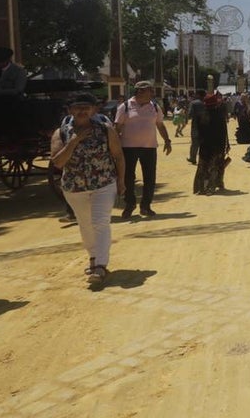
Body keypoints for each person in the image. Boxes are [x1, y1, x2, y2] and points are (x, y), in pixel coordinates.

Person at [50, 92, 125, 289]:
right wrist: (74, 141)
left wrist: (122, 181)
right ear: (70, 111)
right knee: (85, 224)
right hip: (75, 187)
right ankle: (93, 257)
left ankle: (100, 265)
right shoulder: (61, 133)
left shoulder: (105, 130)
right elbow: (58, 162)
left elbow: (118, 156)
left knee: (100, 222)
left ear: (94, 110)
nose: (82, 111)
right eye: (77, 107)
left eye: (86, 107)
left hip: (104, 183)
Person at [114, 81, 172, 219]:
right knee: (128, 177)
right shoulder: (125, 106)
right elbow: (117, 127)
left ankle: (146, 206)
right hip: (128, 148)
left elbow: (160, 125)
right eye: (150, 90)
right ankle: (130, 204)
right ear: (140, 91)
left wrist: (167, 140)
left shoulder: (155, 107)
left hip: (149, 147)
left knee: (150, 178)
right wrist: (114, 146)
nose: (152, 93)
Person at [192, 92, 229, 195]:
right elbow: (224, 131)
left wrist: (198, 142)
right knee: (215, 166)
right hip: (218, 145)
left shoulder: (201, 115)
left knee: (202, 166)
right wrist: (226, 144)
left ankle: (200, 188)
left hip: (204, 144)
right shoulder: (219, 115)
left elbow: (197, 131)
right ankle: (211, 186)